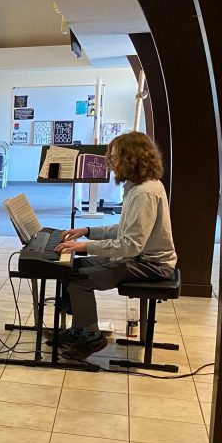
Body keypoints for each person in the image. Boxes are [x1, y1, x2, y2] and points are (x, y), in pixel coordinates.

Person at [54, 132, 177, 361]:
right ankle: (79, 329)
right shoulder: (138, 186)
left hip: (152, 265)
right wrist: (87, 231)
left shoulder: (144, 193)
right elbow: (124, 229)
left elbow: (130, 246)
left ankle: (92, 337)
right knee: (70, 268)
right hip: (140, 258)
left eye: (114, 157)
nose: (110, 163)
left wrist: (84, 246)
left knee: (80, 279)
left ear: (132, 158)